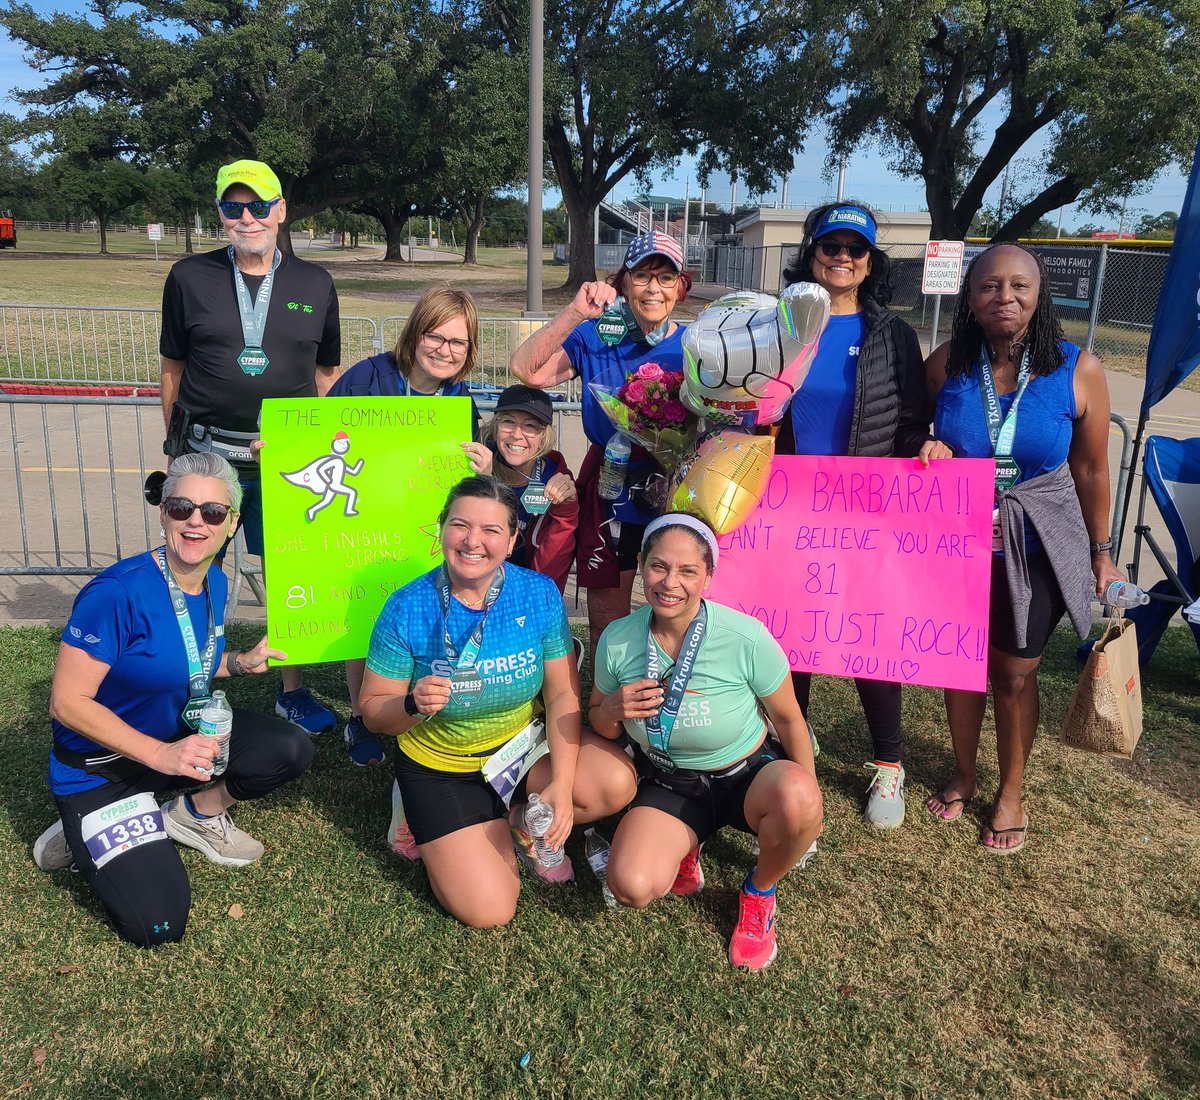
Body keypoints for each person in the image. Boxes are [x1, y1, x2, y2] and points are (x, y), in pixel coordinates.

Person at [31, 453, 314, 947]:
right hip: (102, 766)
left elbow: (193, 658)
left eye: (213, 512)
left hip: (175, 743)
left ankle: (191, 814)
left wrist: (240, 663)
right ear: (163, 512)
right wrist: (162, 754)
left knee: (290, 748)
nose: (195, 522)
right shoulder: (116, 593)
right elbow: (67, 703)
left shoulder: (214, 580)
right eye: (181, 507)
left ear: (231, 526)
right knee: (158, 924)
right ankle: (78, 830)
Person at [920, 243, 1124, 853]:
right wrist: (927, 444)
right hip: (957, 544)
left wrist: (1102, 551)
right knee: (958, 665)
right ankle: (963, 771)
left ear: (1040, 296)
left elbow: (1091, 469)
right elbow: (913, 427)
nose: (1003, 297)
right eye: (988, 286)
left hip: (1035, 543)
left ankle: (1011, 791)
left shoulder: (1076, 367)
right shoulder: (949, 363)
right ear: (970, 296)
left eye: (1018, 286)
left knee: (1012, 672)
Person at [358, 477, 634, 927]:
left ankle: (523, 819)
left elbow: (562, 691)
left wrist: (561, 785)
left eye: (490, 530)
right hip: (441, 764)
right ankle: (412, 808)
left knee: (615, 782)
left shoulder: (539, 593)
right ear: (440, 529)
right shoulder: (406, 606)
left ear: (512, 540)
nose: (472, 541)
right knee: (490, 910)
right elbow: (373, 711)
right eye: (459, 525)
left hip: (521, 751)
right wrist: (411, 704)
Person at [584, 514, 822, 972]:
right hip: (671, 781)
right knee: (630, 884)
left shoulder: (744, 636)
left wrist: (808, 803)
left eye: (687, 571)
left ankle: (759, 890)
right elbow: (601, 725)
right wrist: (612, 708)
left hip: (747, 776)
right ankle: (687, 846)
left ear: (708, 576)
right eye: (657, 567)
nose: (670, 583)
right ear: (640, 565)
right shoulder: (618, 639)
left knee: (797, 799)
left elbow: (790, 719)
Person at [159, 158, 341, 736]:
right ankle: (190, 684)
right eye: (233, 207)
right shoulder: (189, 278)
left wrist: (314, 445)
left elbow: (327, 374)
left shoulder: (316, 283)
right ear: (220, 214)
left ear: (280, 211)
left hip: (282, 457)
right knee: (191, 565)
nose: (247, 217)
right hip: (209, 452)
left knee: (289, 575)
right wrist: (176, 451)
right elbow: (172, 367)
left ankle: (293, 691)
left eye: (259, 205)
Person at [776, 201, 929, 830]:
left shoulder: (892, 335)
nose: (842, 258)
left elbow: (912, 419)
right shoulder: (781, 320)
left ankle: (888, 765)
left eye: (855, 250)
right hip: (786, 505)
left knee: (870, 641)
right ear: (810, 253)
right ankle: (796, 749)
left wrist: (925, 449)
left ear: (871, 264)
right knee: (793, 637)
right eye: (830, 247)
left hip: (866, 509)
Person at [328, 285, 493, 766]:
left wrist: (484, 471)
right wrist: (283, 449)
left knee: (418, 617)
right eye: (435, 337)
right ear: (415, 334)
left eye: (458, 343)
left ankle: (417, 709)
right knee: (365, 616)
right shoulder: (369, 376)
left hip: (420, 526)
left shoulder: (461, 401)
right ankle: (361, 718)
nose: (445, 350)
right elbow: (320, 436)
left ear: (470, 350)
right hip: (363, 516)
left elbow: (467, 485)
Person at [511, 231, 692, 659]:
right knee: (606, 617)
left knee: (676, 608)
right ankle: (607, 707)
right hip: (611, 488)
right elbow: (527, 370)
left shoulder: (695, 344)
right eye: (643, 275)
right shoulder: (597, 335)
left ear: (680, 287)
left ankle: (669, 701)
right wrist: (575, 312)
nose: (653, 288)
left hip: (676, 489)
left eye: (666, 278)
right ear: (623, 282)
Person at [480, 383, 578, 593]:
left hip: (524, 591)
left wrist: (566, 512)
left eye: (531, 426)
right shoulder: (474, 464)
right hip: (474, 584)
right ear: (496, 426)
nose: (517, 434)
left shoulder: (555, 479)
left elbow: (550, 573)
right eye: (508, 422)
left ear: (544, 435)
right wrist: (481, 483)